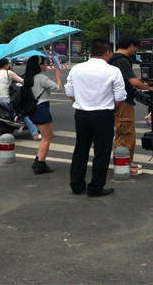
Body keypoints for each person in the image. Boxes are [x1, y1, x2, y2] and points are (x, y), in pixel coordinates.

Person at [64, 39, 126, 197]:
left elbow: (70, 92)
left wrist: (82, 101)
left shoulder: (76, 69)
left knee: (80, 149)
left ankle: (76, 185)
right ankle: (95, 187)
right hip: (103, 114)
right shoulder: (113, 71)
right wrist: (114, 108)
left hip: (81, 114)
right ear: (107, 53)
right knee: (101, 152)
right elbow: (120, 97)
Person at [108, 35, 153, 176]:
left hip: (116, 100)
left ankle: (127, 162)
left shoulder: (112, 59)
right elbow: (133, 82)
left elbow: (128, 81)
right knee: (126, 133)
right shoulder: (122, 60)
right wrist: (150, 88)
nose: (135, 51)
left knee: (124, 132)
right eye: (135, 48)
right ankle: (124, 165)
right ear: (131, 46)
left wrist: (139, 81)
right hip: (123, 102)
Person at [24, 55, 62, 174]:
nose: (47, 65)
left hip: (34, 109)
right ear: (40, 66)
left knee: (49, 135)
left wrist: (55, 78)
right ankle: (40, 164)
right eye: (45, 63)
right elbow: (58, 88)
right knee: (46, 138)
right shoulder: (41, 77)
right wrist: (57, 76)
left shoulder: (29, 77)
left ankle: (38, 159)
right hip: (42, 108)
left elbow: (49, 85)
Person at [0, 58, 40, 140]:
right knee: (22, 113)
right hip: (5, 101)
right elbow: (23, 82)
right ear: (5, 65)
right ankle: (35, 134)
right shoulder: (8, 73)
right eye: (7, 64)